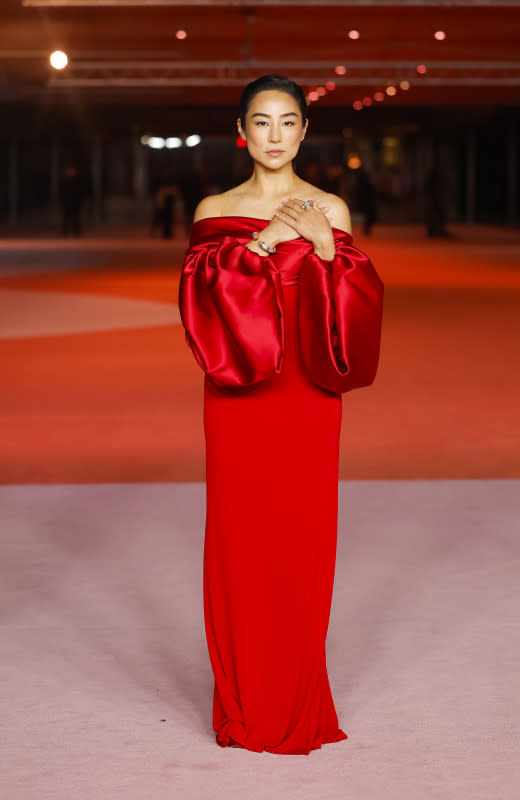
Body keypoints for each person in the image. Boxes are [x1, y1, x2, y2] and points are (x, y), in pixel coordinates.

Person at [178, 75, 384, 756]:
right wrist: (264, 240)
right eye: (260, 123)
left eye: (286, 122)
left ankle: (296, 697)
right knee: (238, 539)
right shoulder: (215, 207)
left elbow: (354, 317)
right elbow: (200, 306)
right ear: (243, 130)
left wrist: (326, 249)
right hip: (239, 396)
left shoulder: (332, 206)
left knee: (302, 535)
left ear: (303, 130)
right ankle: (241, 700)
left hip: (306, 394)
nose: (274, 136)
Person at [60, 166, 87, 237]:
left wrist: (80, 202)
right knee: (66, 217)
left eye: (72, 171)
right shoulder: (65, 182)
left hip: (75, 202)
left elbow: (81, 192)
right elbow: (62, 193)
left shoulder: (78, 182)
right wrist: (63, 202)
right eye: (69, 171)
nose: (71, 173)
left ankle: (76, 231)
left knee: (76, 217)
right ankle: (65, 231)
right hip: (67, 203)